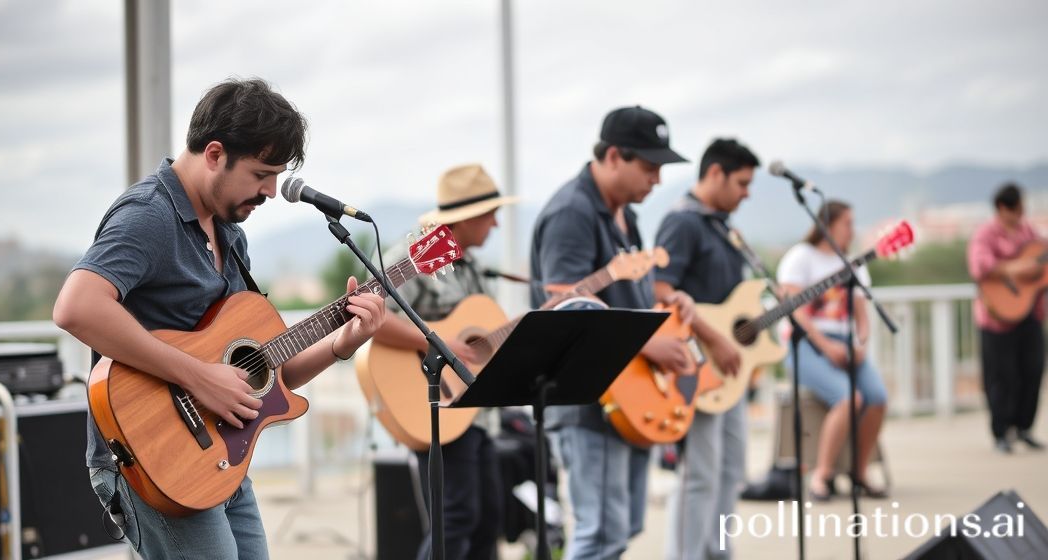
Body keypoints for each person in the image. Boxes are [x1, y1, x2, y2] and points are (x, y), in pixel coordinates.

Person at [53, 78, 387, 559]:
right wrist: (201, 377)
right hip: (150, 455)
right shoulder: (149, 215)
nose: (272, 190)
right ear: (214, 154)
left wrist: (343, 342)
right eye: (261, 174)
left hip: (218, 453)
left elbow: (264, 378)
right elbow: (75, 307)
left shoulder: (230, 234)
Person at [530, 105, 696, 560]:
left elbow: (625, 303)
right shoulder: (571, 213)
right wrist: (649, 342)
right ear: (615, 156)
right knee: (601, 534)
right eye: (649, 167)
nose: (657, 180)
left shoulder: (626, 215)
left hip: (628, 396)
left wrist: (668, 309)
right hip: (588, 403)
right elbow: (569, 307)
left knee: (624, 528)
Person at [372, 163, 517, 559]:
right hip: (436, 404)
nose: (496, 225)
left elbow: (481, 337)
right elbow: (367, 313)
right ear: (467, 217)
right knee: (455, 521)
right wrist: (437, 341)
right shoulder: (416, 254)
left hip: (477, 413)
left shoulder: (472, 267)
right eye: (491, 215)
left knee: (488, 520)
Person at [653, 138, 757, 560]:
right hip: (696, 365)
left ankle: (717, 551)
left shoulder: (721, 226)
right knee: (699, 475)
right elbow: (661, 289)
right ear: (715, 173)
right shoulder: (682, 222)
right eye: (742, 183)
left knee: (731, 470)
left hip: (728, 370)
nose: (747, 193)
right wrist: (714, 340)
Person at [776, 200, 888, 501]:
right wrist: (825, 347)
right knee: (848, 398)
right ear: (828, 224)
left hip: (845, 343)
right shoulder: (801, 257)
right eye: (847, 223)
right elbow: (794, 309)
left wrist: (860, 343)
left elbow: (863, 318)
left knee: (877, 397)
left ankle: (859, 472)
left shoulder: (852, 263)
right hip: (807, 344)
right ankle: (821, 476)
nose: (852, 230)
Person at [967, 183, 1045, 453]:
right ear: (1003, 207)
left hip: (1030, 313)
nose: (1022, 212)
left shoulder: (1028, 232)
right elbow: (979, 266)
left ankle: (1023, 428)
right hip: (997, 317)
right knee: (1001, 377)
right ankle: (1001, 432)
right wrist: (1014, 268)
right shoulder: (986, 233)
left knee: (1032, 370)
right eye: (1018, 207)